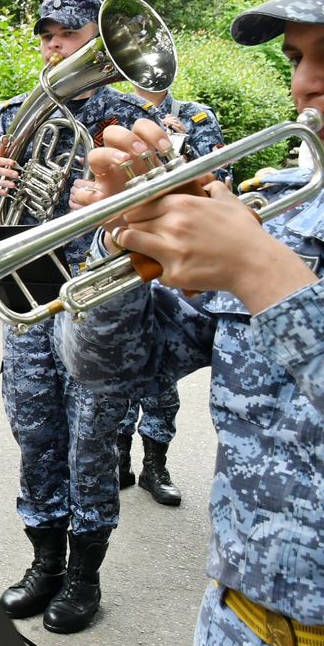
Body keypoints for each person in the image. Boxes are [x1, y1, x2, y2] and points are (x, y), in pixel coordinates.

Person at [59, 0, 324, 646]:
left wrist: (265, 276)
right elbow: (106, 368)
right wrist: (124, 240)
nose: (308, 85)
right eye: (296, 59)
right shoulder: (284, 213)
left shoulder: (266, 248)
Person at [0, 0, 151, 634]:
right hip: (28, 299)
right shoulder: (17, 112)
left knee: (91, 440)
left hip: (97, 298)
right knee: (35, 432)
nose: (52, 48)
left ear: (94, 45)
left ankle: (84, 575)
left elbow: (159, 204)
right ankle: (44, 563)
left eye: (67, 37)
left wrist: (107, 198)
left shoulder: (129, 115)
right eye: (45, 37)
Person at [111, 84, 229, 507]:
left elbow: (222, 177)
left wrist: (183, 150)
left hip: (177, 253)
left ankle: (155, 464)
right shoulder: (115, 109)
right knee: (124, 357)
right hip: (130, 246)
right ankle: (119, 456)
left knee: (163, 372)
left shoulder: (197, 115)